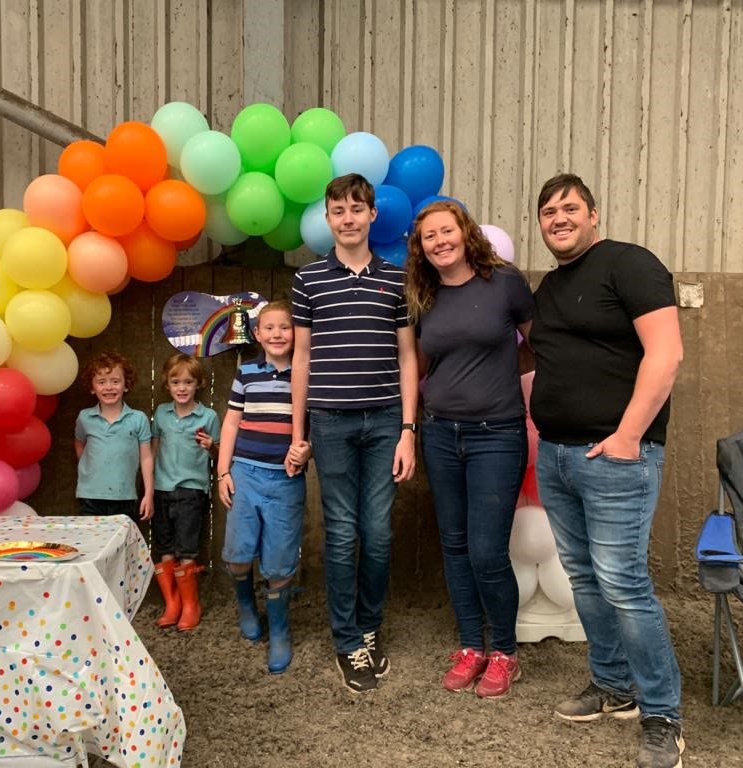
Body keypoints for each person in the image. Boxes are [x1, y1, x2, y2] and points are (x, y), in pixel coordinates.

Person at [529, 173, 685, 768]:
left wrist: (626, 436)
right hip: (558, 454)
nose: (558, 218)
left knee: (624, 582)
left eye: (570, 208)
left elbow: (666, 353)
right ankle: (613, 685)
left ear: (594, 214)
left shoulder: (630, 264)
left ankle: (662, 712)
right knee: (585, 578)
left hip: (617, 456)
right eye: (548, 212)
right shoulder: (550, 286)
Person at [289, 173, 418, 694]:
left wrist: (408, 428)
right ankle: (347, 640)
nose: (347, 218)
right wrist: (299, 432)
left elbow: (409, 357)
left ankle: (369, 626)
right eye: (337, 210)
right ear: (327, 219)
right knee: (341, 534)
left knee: (379, 532)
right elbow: (301, 357)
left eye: (356, 209)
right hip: (331, 423)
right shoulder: (308, 280)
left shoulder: (396, 279)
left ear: (371, 216)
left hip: (386, 420)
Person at [404, 200, 534, 698]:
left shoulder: (504, 283)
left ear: (466, 233)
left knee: (486, 551)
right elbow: (417, 366)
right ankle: (469, 646)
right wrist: (410, 427)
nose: (439, 241)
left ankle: (504, 651)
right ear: (421, 247)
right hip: (440, 432)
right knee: (454, 547)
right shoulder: (425, 294)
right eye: (428, 236)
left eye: (446, 231)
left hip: (496, 435)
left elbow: (540, 343)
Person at [217, 301, 312, 674]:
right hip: (246, 475)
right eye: (268, 328)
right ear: (257, 334)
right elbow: (230, 424)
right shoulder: (247, 373)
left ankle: (280, 629)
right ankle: (245, 604)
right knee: (238, 554)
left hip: (285, 481)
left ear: (297, 332)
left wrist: (306, 452)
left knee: (279, 561)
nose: (277, 334)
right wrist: (224, 471)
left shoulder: (306, 376)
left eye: (285, 327)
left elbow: (312, 431)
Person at [150, 353, 221, 632]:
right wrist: (148, 483)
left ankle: (191, 606)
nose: (182, 387)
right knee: (165, 547)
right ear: (167, 385)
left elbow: (219, 454)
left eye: (188, 382)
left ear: (198, 384)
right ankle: (172, 603)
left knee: (187, 548)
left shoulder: (208, 416)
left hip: (191, 490)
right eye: (175, 382)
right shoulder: (161, 415)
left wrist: (210, 447)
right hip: (161, 487)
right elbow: (153, 450)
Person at [74, 351, 154, 526]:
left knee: (121, 548)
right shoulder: (85, 418)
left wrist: (149, 494)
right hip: (90, 496)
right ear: (92, 387)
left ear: (126, 385)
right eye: (101, 382)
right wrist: (91, 469)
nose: (109, 387)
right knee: (93, 546)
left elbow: (146, 457)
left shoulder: (138, 418)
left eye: (115, 381)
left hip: (124, 497)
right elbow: (80, 445)